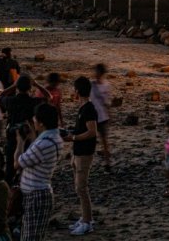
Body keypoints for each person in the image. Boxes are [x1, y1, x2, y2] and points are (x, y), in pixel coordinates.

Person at [15, 103, 62, 241]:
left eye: (35, 119)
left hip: (36, 196)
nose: (33, 121)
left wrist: (20, 142)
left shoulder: (43, 144)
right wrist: (32, 137)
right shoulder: (54, 138)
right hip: (40, 194)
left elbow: (17, 164)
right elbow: (37, 153)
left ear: (41, 123)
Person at [67, 76, 98, 235]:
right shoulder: (83, 108)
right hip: (78, 151)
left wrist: (73, 137)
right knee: (79, 188)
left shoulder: (88, 109)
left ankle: (87, 222)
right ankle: (85, 217)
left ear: (77, 91)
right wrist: (72, 134)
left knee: (82, 188)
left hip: (84, 153)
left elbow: (92, 132)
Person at [89, 64, 113, 172]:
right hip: (91, 116)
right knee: (90, 141)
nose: (96, 74)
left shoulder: (106, 85)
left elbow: (107, 102)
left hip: (102, 116)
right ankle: (89, 162)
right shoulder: (91, 84)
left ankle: (107, 163)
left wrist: (109, 115)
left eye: (97, 72)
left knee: (104, 141)